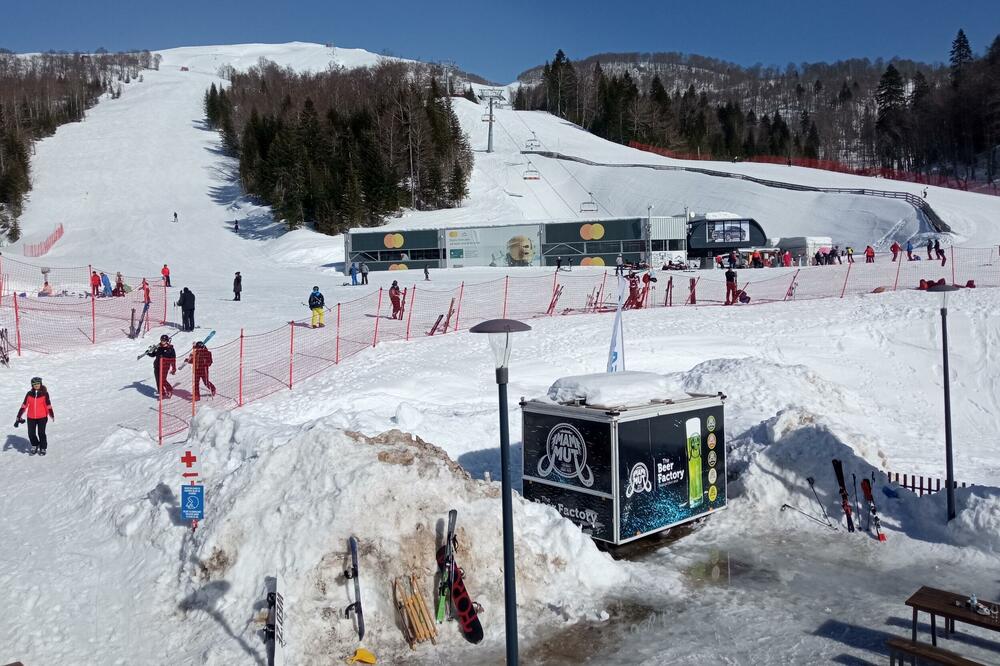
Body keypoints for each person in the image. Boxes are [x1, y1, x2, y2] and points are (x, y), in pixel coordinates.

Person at [15, 377, 54, 455]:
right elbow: (24, 405)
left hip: (42, 417)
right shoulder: (29, 394)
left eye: (38, 383)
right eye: (34, 384)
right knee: (31, 433)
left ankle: (43, 447)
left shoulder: (44, 394)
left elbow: (48, 405)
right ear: (32, 385)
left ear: (40, 384)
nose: (36, 385)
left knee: (41, 433)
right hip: (31, 417)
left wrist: (51, 414)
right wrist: (19, 415)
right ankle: (35, 445)